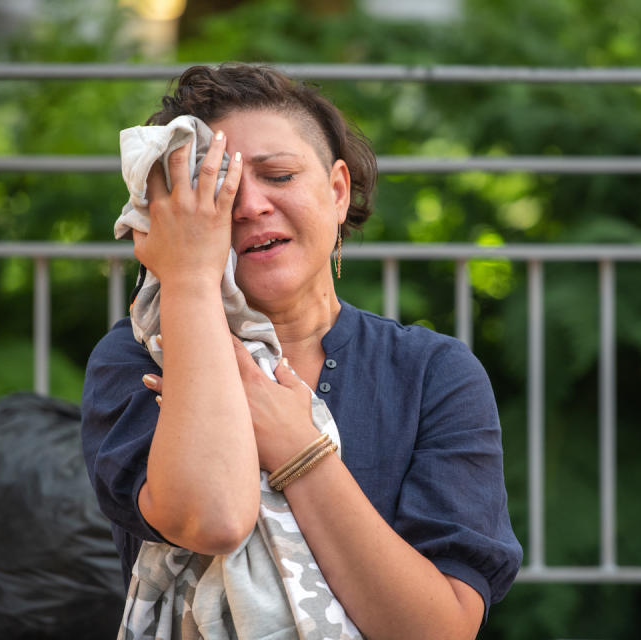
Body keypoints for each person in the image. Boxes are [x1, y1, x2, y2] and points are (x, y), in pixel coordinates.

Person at [81, 63, 522, 639]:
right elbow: (211, 519)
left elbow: (439, 630)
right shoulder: (140, 357)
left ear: (338, 191)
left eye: (280, 176)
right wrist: (187, 277)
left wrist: (300, 452)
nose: (250, 206)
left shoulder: (432, 372)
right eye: (220, 189)